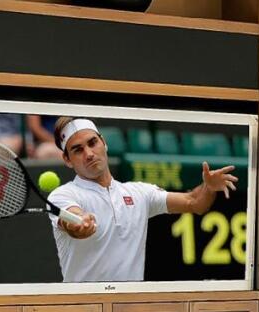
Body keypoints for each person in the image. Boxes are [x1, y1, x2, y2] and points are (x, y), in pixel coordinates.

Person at [45, 117, 237, 284]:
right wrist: (80, 223)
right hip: (84, 309)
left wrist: (208, 188)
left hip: (129, 307)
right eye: (78, 150)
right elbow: (70, 219)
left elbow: (195, 202)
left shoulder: (139, 193)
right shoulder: (63, 195)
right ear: (67, 159)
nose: (88, 153)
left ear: (104, 143)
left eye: (92, 142)